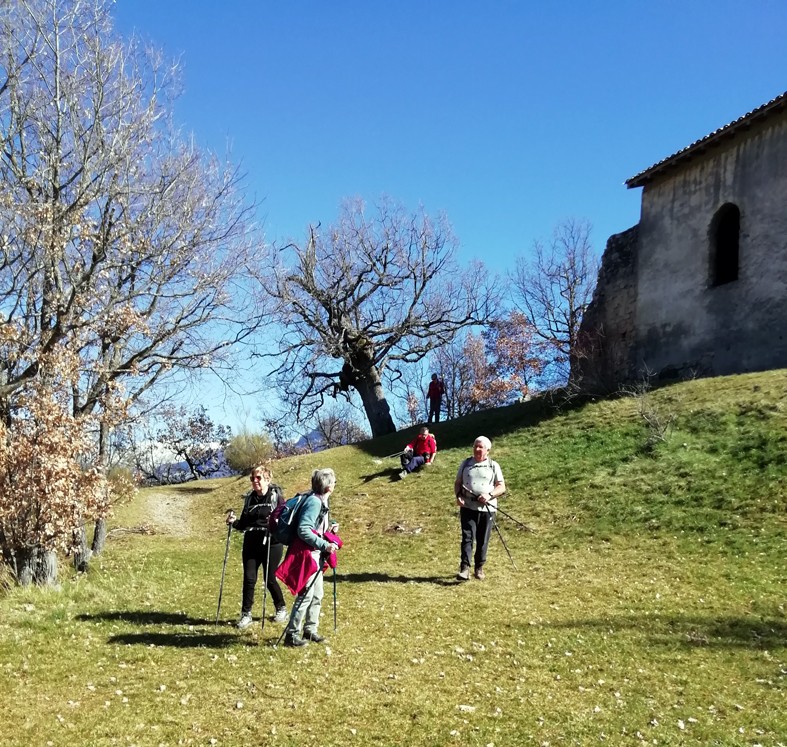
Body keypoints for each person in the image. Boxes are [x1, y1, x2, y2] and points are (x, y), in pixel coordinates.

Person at [281, 468, 340, 647]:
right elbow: (303, 530)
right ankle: (291, 635)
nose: (335, 485)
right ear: (329, 487)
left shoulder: (320, 501)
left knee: (317, 594)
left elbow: (313, 528)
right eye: (334, 482)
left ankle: (310, 630)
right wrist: (325, 545)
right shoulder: (314, 502)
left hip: (315, 554)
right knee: (306, 595)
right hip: (307, 555)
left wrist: (328, 532)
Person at [226, 465, 288, 629]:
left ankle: (281, 607)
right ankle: (246, 615)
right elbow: (244, 523)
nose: (255, 481)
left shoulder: (276, 497)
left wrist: (274, 526)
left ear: (268, 479)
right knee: (249, 578)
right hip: (251, 542)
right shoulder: (249, 499)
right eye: (252, 478)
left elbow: (284, 520)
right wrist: (234, 523)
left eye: (258, 478)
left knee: (269, 579)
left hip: (272, 543)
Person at [453, 436, 506, 581]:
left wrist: (489, 495)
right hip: (468, 507)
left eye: (480, 447)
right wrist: (458, 495)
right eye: (475, 446)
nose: (477, 449)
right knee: (467, 537)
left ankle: (479, 567)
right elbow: (458, 482)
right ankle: (464, 568)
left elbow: (501, 487)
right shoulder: (465, 464)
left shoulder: (493, 465)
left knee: (483, 539)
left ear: (488, 450)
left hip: (487, 509)